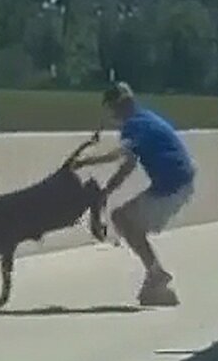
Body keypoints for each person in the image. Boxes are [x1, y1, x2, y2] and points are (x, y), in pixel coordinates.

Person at [72, 82, 197, 306]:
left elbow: (117, 156)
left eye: (112, 109)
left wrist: (83, 162)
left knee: (123, 219)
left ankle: (156, 274)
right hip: (176, 182)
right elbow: (128, 165)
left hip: (173, 185)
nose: (113, 115)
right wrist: (106, 193)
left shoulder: (136, 125)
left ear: (116, 106)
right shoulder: (144, 119)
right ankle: (156, 277)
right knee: (126, 220)